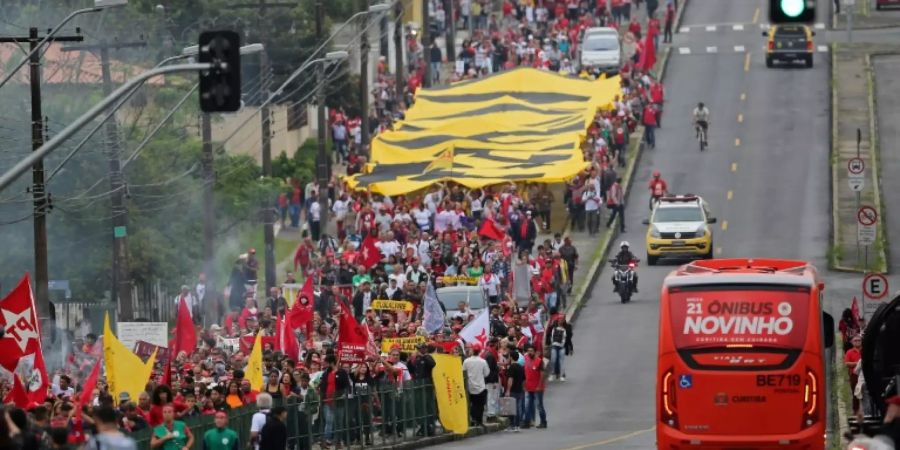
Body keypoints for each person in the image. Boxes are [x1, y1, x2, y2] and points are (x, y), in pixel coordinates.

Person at [463, 343, 490, 427]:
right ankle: (479, 421)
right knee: (480, 405)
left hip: (470, 386)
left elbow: (463, 372)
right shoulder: (483, 361)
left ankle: (473, 419)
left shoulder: (466, 361)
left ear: (472, 350)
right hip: (481, 387)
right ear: (479, 351)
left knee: (472, 405)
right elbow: (486, 373)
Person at [522, 344, 547, 429]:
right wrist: (524, 384)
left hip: (537, 388)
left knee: (539, 405)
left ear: (535, 352)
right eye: (528, 351)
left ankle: (543, 422)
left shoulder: (539, 361)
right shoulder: (525, 360)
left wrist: (539, 386)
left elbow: (542, 374)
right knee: (527, 405)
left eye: (531, 351)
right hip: (528, 387)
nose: (530, 353)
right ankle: (527, 422)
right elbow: (524, 373)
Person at [545, 316, 574, 381]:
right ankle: (552, 374)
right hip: (554, 347)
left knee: (561, 362)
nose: (561, 321)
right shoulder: (553, 328)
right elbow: (551, 337)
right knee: (553, 360)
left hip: (562, 347)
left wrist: (571, 348)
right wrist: (550, 344)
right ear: (558, 321)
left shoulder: (565, 329)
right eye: (560, 319)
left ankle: (563, 375)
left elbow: (568, 339)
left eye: (562, 319)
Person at [505, 350, 526, 432]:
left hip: (513, 390)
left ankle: (512, 425)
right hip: (520, 389)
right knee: (518, 407)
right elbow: (524, 379)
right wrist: (523, 388)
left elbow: (510, 379)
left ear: (511, 357)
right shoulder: (521, 367)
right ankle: (517, 425)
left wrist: (508, 390)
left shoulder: (511, 367)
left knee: (512, 408)